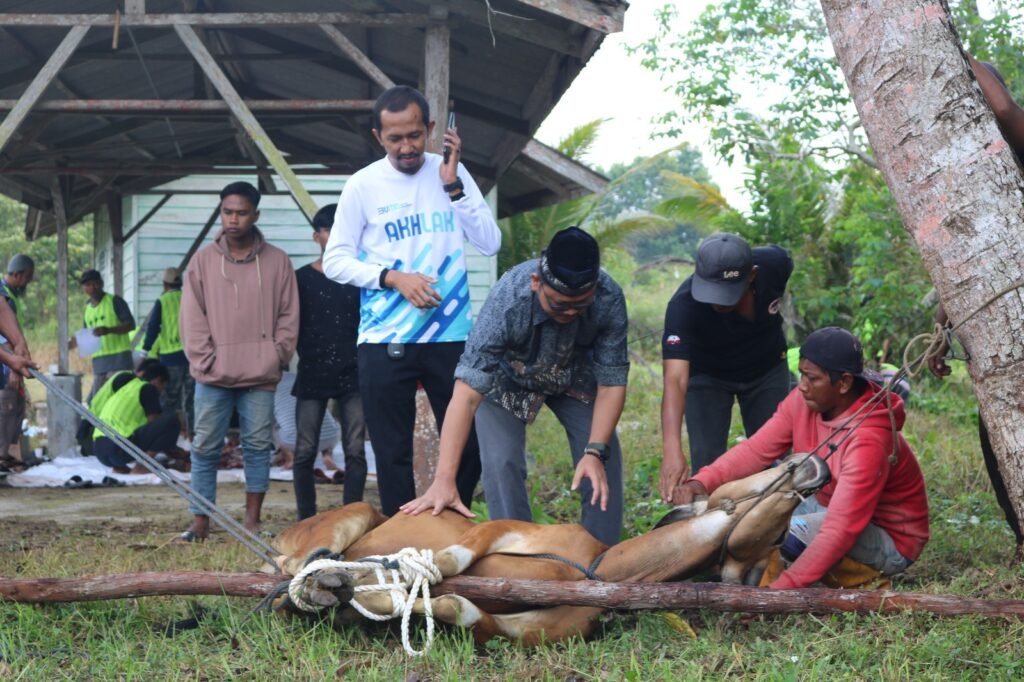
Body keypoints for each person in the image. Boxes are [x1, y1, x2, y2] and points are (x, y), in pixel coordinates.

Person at [322, 85, 501, 516]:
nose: (407, 147)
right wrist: (392, 278)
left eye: (415, 136)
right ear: (377, 136)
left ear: (432, 130)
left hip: (450, 336)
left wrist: (454, 188)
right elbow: (335, 261)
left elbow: (490, 243)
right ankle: (406, 541)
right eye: (395, 138)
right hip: (385, 338)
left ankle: (448, 520)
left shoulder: (450, 173)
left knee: (470, 447)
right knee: (392, 452)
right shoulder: (362, 186)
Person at [403, 227, 629, 546]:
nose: (570, 313)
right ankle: (519, 551)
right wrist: (443, 480)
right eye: (560, 305)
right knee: (501, 462)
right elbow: (466, 395)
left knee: (603, 457)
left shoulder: (609, 298)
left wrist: (594, 451)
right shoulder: (508, 300)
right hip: (508, 379)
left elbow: (611, 384)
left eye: (580, 306)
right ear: (537, 283)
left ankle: (602, 557)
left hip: (575, 377)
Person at [675, 327, 930, 589]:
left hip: (889, 540)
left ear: (843, 383)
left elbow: (840, 529)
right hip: (827, 506)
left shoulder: (869, 440)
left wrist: (780, 593)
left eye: (812, 379)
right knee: (748, 502)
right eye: (802, 375)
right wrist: (701, 482)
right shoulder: (805, 400)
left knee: (775, 532)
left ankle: (865, 580)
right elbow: (755, 451)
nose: (803, 387)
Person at [929, 55, 1024, 561]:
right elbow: (963, 268)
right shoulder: (966, 176)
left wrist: (953, 56)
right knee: (998, 435)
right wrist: (941, 328)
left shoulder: (1018, 150)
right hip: (997, 329)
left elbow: (1007, 111)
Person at [179, 181, 299, 541]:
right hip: (212, 376)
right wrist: (207, 360)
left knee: (258, 447)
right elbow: (191, 317)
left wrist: (274, 356)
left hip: (260, 375)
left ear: (255, 215)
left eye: (242, 213)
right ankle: (200, 521)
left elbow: (289, 316)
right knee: (204, 447)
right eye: (228, 212)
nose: (234, 219)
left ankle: (252, 522)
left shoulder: (278, 261)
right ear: (221, 213)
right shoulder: (201, 261)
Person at [660, 232, 793, 504]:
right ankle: (713, 533)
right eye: (711, 291)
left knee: (779, 459)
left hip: (767, 370)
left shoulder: (775, 266)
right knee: (708, 465)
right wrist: (671, 448)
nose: (718, 302)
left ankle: (779, 528)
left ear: (752, 275)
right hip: (708, 377)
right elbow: (675, 380)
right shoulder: (682, 306)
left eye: (727, 293)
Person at [291, 203, 367, 520]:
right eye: (328, 230)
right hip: (312, 371)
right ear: (316, 236)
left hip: (355, 371)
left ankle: (350, 517)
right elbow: (288, 321)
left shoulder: (361, 276)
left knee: (355, 450)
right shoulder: (300, 279)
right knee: (305, 450)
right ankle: (306, 519)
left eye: (341, 229)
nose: (335, 236)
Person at [92, 361, 179, 475]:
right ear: (158, 380)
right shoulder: (148, 389)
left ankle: (119, 468)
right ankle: (142, 467)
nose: (162, 391)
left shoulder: (128, 387)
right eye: (163, 386)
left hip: (100, 451)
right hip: (119, 450)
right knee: (172, 421)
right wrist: (174, 451)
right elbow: (156, 426)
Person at [141, 266, 194, 438]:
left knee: (169, 399)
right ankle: (192, 434)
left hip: (170, 359)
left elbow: (153, 327)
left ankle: (167, 436)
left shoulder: (162, 301)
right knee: (191, 399)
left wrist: (145, 350)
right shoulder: (190, 298)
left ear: (165, 284)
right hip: (192, 357)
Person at [76, 269, 136, 401]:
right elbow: (88, 338)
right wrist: (75, 342)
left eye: (95, 284)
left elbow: (131, 325)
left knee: (118, 399)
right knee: (97, 401)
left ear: (102, 284)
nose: (92, 288)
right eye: (88, 285)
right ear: (83, 288)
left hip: (119, 361)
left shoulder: (115, 301)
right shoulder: (88, 310)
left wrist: (108, 330)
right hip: (100, 363)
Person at [0, 254, 34, 460]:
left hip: (9, 360)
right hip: (6, 363)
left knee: (13, 409)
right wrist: (13, 364)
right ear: (19, 275)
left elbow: (9, 326)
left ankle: (5, 455)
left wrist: (20, 348)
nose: (28, 281)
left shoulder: (7, 296)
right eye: (28, 276)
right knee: (6, 407)